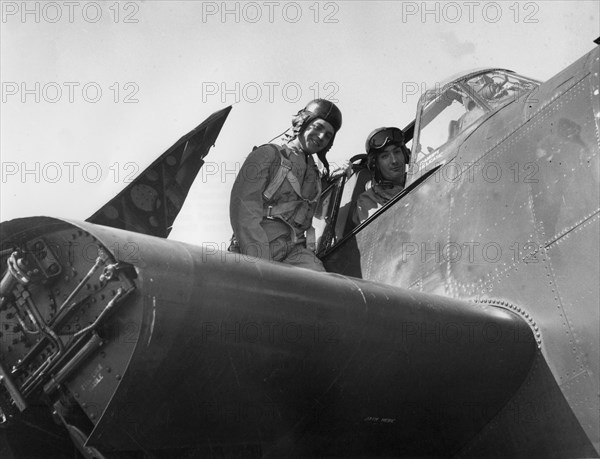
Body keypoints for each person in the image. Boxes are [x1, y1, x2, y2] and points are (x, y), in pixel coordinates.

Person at [229, 99, 342, 271]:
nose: (321, 137)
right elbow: (243, 211)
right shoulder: (268, 155)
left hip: (295, 250)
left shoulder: (314, 175)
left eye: (328, 135)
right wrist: (261, 263)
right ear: (303, 122)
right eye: (318, 127)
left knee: (325, 288)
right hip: (259, 245)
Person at [353, 127, 411, 224]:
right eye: (385, 156)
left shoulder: (418, 181)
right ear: (376, 165)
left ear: (405, 155)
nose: (394, 161)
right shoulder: (369, 200)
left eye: (397, 152)